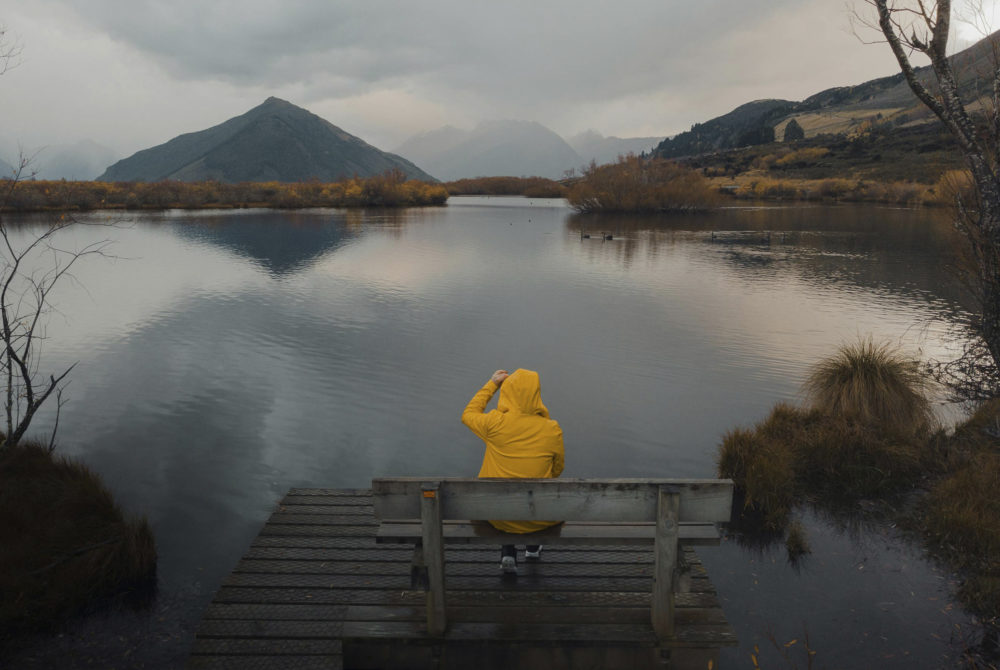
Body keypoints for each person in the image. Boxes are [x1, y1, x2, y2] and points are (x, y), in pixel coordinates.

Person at [461, 368, 565, 574]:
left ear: (507, 392)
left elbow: (468, 414)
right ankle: (533, 548)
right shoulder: (551, 429)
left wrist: (492, 384)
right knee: (537, 497)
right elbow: (558, 469)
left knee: (503, 500)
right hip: (539, 516)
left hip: (496, 514)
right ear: (537, 394)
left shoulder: (494, 424)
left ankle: (508, 552)